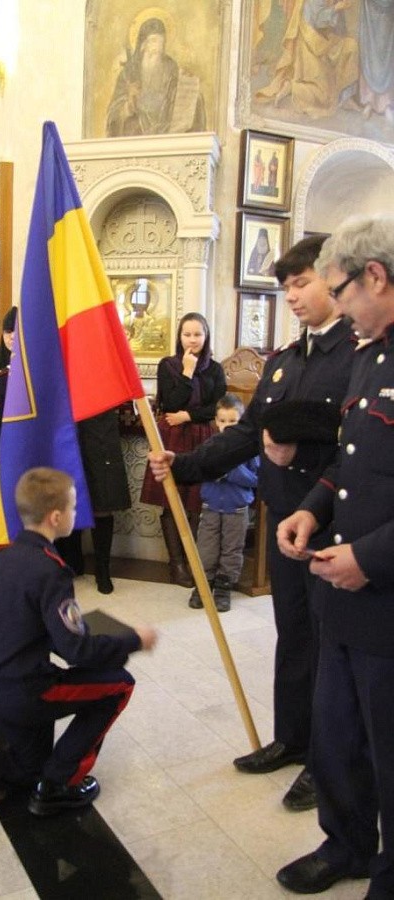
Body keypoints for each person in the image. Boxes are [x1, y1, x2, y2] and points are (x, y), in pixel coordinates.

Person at [147, 235, 357, 813]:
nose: (292, 296)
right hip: (285, 516)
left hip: (336, 525)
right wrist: (184, 465)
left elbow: (358, 447)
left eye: (302, 283)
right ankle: (293, 739)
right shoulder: (286, 361)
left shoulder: (358, 356)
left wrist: (303, 457)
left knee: (330, 647)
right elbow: (246, 433)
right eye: (286, 287)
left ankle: (326, 762)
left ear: (333, 279)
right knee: (294, 635)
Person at [0, 467, 158, 819]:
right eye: (73, 507)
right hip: (29, 690)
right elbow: (77, 651)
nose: (75, 513)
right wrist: (133, 640)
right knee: (119, 684)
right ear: (56, 517)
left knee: (26, 770)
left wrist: (15, 642)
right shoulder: (51, 569)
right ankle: (60, 784)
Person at [273, 215, 394, 896]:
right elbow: (353, 463)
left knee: (389, 749)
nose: (340, 309)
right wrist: (312, 508)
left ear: (375, 276)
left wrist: (368, 558)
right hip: (342, 592)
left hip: (386, 595)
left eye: (341, 291)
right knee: (337, 733)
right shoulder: (370, 356)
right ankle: (345, 844)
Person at [140, 312, 226, 588]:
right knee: (171, 501)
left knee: (196, 504)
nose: (192, 340)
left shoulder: (215, 369)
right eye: (187, 334)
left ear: (206, 336)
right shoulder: (168, 365)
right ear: (179, 337)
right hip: (172, 437)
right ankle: (176, 565)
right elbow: (171, 402)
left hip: (201, 436)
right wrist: (187, 372)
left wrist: (188, 416)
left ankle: (194, 562)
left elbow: (217, 407)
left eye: (197, 334)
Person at [188, 394, 259, 613]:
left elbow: (256, 479)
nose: (227, 426)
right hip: (210, 507)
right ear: (216, 422)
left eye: (233, 421)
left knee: (232, 549)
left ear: (242, 422)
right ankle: (203, 585)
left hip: (237, 508)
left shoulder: (248, 448)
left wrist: (230, 471)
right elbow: (199, 468)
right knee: (206, 548)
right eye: (222, 421)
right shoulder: (211, 446)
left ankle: (223, 588)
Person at [57, 409, 131, 594]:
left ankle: (102, 569)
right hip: (65, 421)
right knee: (67, 496)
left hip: (99, 421)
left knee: (102, 499)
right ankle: (72, 561)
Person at [255, 0, 358, 119]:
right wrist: (336, 8)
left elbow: (338, 29)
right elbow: (317, 21)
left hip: (329, 44)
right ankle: (291, 87)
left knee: (351, 46)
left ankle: (345, 96)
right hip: (312, 47)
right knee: (323, 97)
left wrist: (338, 9)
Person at [106, 16, 178, 136]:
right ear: (143, 44)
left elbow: (179, 99)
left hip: (167, 136)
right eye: (153, 41)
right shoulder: (129, 72)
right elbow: (112, 116)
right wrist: (128, 105)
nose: (157, 48)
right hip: (135, 137)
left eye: (161, 42)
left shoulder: (171, 68)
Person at [359, 0, 394, 123]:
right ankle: (369, 100)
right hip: (370, 11)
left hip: (389, 12)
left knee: (387, 55)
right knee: (369, 53)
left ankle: (387, 103)